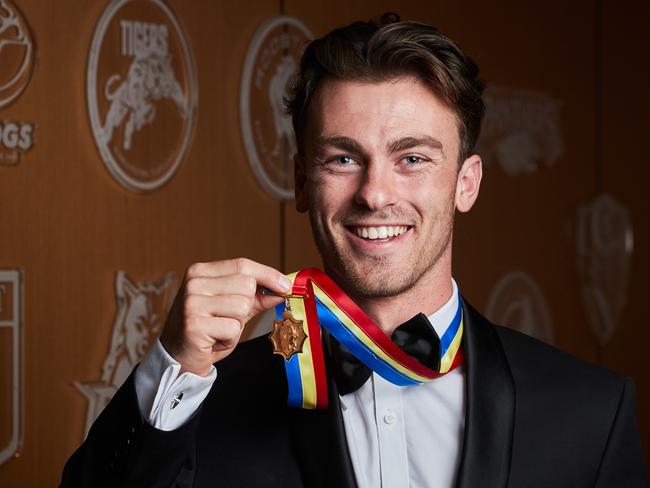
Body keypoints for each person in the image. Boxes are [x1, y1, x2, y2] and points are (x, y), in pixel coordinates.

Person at [61, 14, 646, 488]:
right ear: (299, 181)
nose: (374, 193)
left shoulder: (590, 411)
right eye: (343, 158)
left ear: (466, 183)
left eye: (412, 158)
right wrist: (175, 367)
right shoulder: (199, 402)